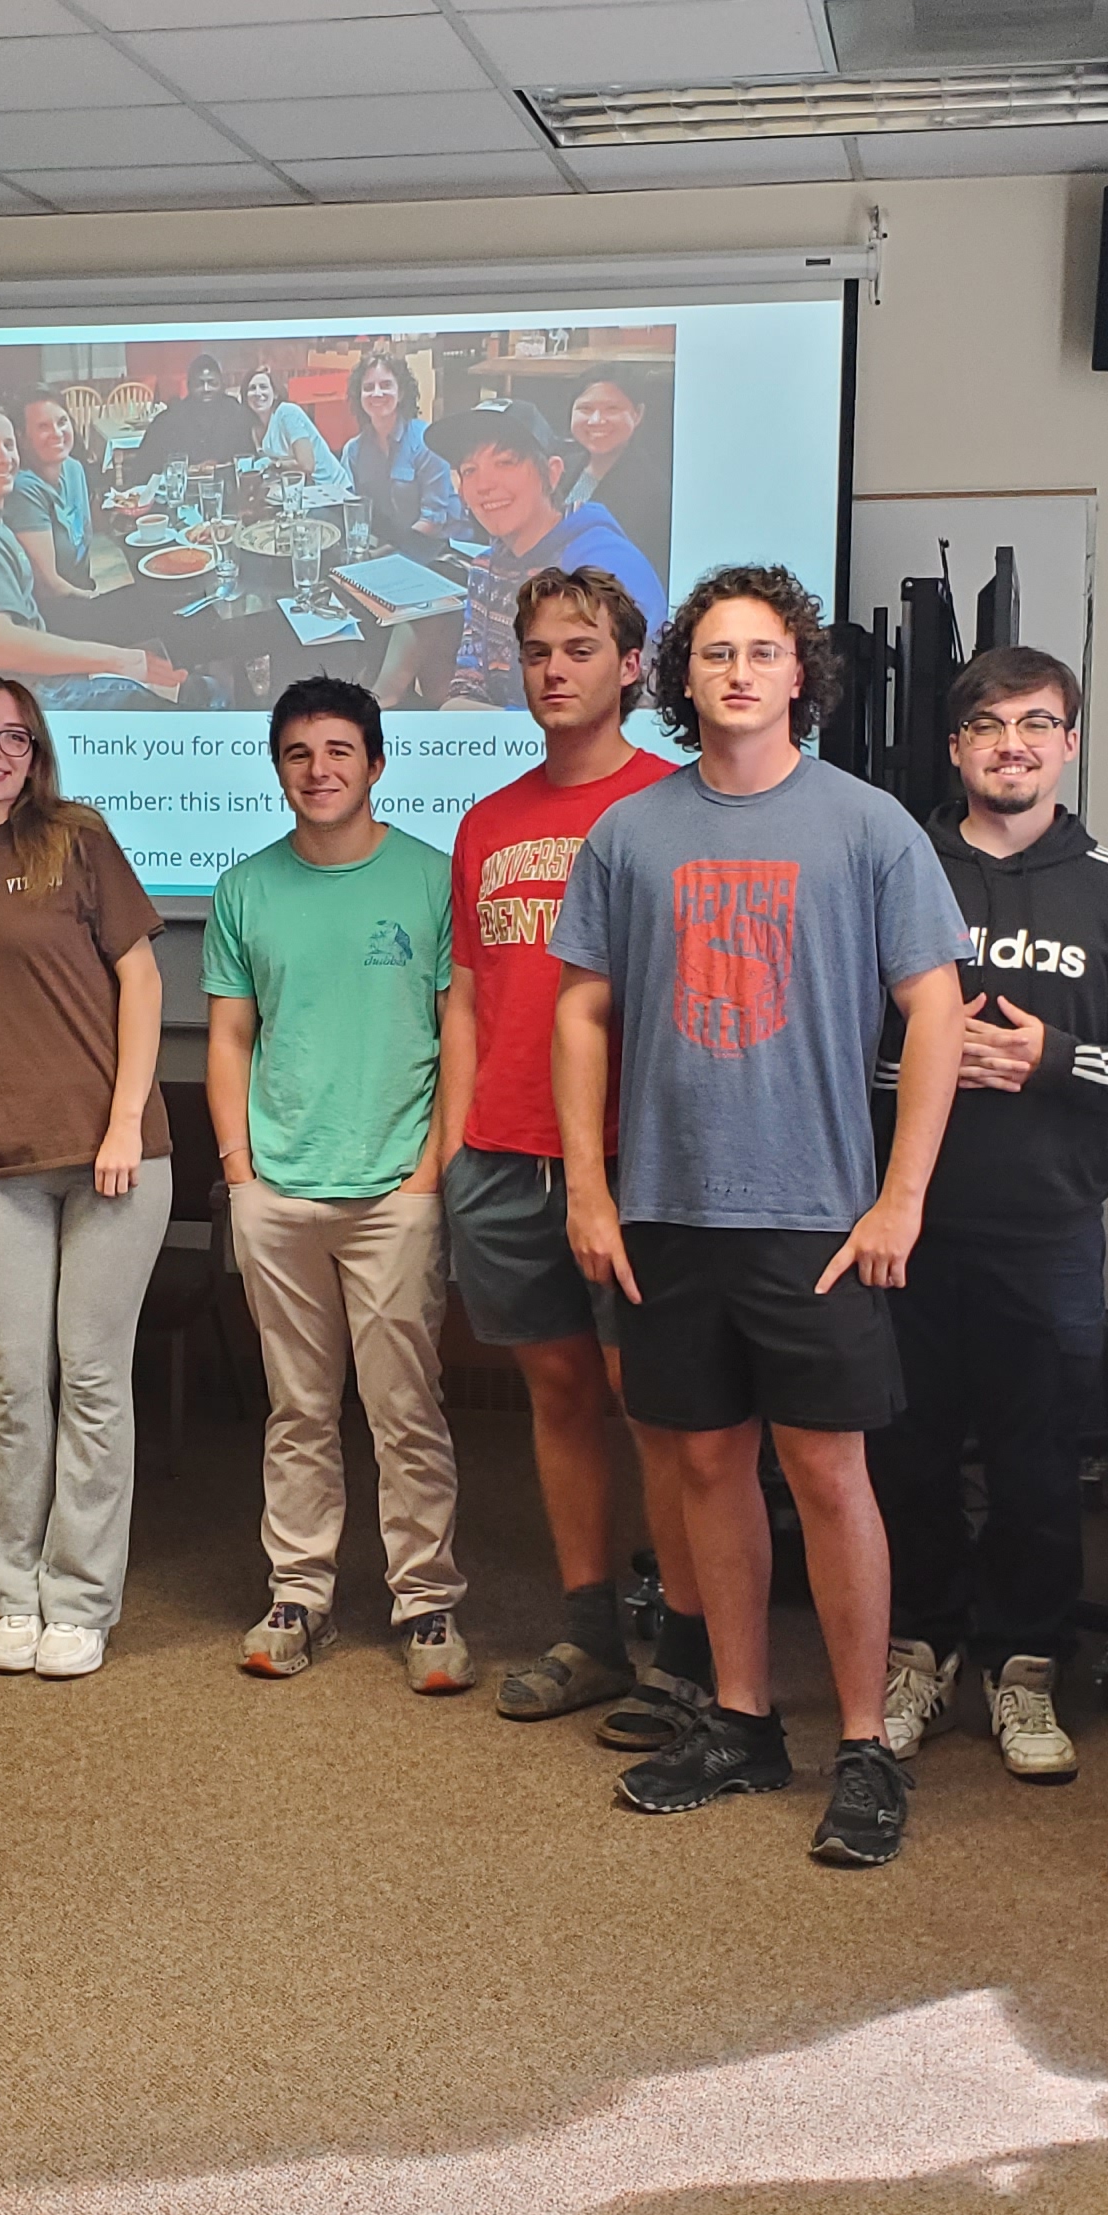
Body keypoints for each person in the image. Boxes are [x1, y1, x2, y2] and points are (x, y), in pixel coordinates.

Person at [552, 566, 968, 1869]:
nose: (738, 671)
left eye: (764, 651)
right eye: (715, 652)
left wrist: (901, 1198)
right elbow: (579, 1011)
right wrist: (586, 1184)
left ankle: (862, 1745)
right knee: (703, 1466)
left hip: (819, 1216)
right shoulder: (631, 835)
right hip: (669, 1208)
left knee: (830, 1475)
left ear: (802, 677)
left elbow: (938, 1011)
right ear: (679, 676)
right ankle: (740, 1720)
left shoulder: (868, 827)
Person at [864, 649, 1108, 1782]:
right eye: (989, 726)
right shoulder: (896, 865)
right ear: (956, 748)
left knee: (1040, 1464)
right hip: (904, 1224)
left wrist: (1054, 1058)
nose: (1013, 745)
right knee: (903, 1457)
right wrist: (935, 1068)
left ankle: (1026, 1667)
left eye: (1036, 725)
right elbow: (839, 1037)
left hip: (1049, 1232)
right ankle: (921, 1650)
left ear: (1069, 743)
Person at [431, 565, 706, 1735]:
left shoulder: (673, 808)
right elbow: (467, 997)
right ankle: (590, 1632)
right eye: (538, 651)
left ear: (633, 667)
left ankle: (688, 1651)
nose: (554, 671)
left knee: (663, 1409)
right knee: (553, 1393)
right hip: (501, 1156)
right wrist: (452, 1155)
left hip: (632, 1168)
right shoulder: (487, 820)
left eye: (580, 650)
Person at [0, 677, 170, 1683]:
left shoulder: (74, 839)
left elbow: (141, 974)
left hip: (117, 1161)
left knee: (92, 1380)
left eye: (15, 735)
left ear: (36, 752)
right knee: (16, 1384)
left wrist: (126, 1120)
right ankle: (14, 1596)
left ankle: (82, 1602)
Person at [204, 676, 467, 1690]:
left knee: (407, 1407)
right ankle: (299, 1591)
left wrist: (427, 1171)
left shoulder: (431, 882)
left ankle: (429, 1602)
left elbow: (459, 1035)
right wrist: (239, 1172)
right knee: (298, 1407)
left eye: (338, 753)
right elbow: (230, 1038)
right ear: (279, 769)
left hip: (395, 1189)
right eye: (298, 755)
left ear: (376, 764)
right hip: (279, 1188)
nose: (319, 772)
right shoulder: (245, 889)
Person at [0, 396, 183, 709]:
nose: (4, 457)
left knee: (158, 632)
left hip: (34, 686)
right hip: (29, 702)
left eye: (8, 445)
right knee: (194, 697)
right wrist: (119, 660)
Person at [427, 401, 665, 710]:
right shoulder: (485, 566)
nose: (484, 485)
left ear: (552, 474)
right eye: (470, 470)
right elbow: (470, 677)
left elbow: (612, 707)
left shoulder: (604, 568)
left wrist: (492, 723)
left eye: (506, 463)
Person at [343, 339, 470, 566]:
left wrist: (378, 556)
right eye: (368, 387)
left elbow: (432, 522)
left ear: (400, 393)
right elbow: (359, 514)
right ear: (359, 397)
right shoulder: (354, 450)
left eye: (386, 385)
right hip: (389, 551)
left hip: (440, 552)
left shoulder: (427, 442)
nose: (377, 393)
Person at [562, 374, 672, 587]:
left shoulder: (652, 490)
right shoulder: (563, 467)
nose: (596, 420)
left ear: (638, 414)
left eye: (611, 409)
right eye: (585, 409)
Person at [5, 392, 104, 615]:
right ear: (21, 437)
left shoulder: (73, 468)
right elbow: (48, 587)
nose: (57, 433)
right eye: (43, 427)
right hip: (50, 612)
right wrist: (98, 601)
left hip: (81, 593)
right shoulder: (23, 490)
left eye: (62, 422)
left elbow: (89, 535)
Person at [136, 350, 258, 475]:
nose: (206, 389)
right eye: (199, 384)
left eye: (212, 383)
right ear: (189, 386)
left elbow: (249, 461)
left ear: (222, 385)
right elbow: (147, 467)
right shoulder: (170, 420)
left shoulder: (237, 415)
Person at [237, 359, 346, 489]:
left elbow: (306, 466)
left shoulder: (287, 413)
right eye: (252, 388)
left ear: (275, 393)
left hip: (331, 489)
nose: (258, 393)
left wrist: (273, 464)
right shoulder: (253, 426)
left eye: (263, 387)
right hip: (297, 489)